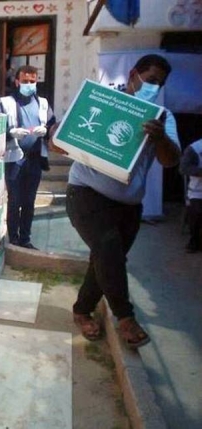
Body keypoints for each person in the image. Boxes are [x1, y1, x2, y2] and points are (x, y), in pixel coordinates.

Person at [55, 54, 181, 349]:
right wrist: (58, 136)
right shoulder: (103, 101)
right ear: (134, 74)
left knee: (106, 258)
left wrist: (160, 139)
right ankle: (125, 318)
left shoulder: (162, 117)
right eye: (150, 80)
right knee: (108, 247)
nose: (154, 87)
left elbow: (171, 160)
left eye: (159, 84)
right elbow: (60, 142)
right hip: (85, 192)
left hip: (128, 206)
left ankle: (82, 311)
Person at [0, 65, 56, 249]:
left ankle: (25, 239)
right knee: (14, 200)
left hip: (35, 158)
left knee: (29, 201)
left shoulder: (43, 103)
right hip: (14, 159)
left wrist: (45, 131)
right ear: (16, 81)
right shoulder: (6, 102)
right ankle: (13, 238)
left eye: (32, 81)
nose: (28, 84)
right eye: (25, 81)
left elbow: (53, 128)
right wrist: (10, 132)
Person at [180, 138, 202, 253]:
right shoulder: (195, 148)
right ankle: (194, 241)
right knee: (196, 212)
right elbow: (184, 168)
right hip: (197, 191)